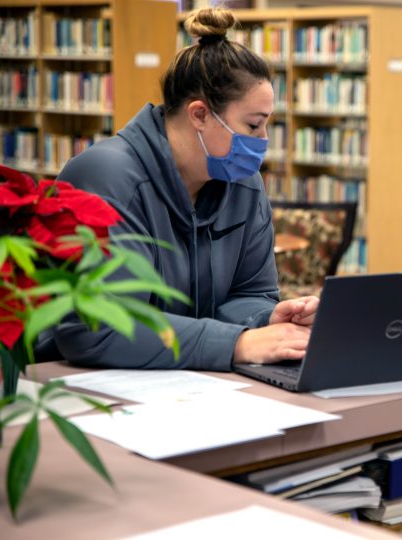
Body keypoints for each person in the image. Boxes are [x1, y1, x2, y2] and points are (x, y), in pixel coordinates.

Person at [52, 7, 316, 371]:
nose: (263, 141)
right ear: (200, 115)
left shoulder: (243, 183)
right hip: (82, 387)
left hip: (191, 383)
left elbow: (250, 293)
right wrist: (238, 343)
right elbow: (99, 327)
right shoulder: (105, 178)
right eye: (253, 125)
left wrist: (267, 319)